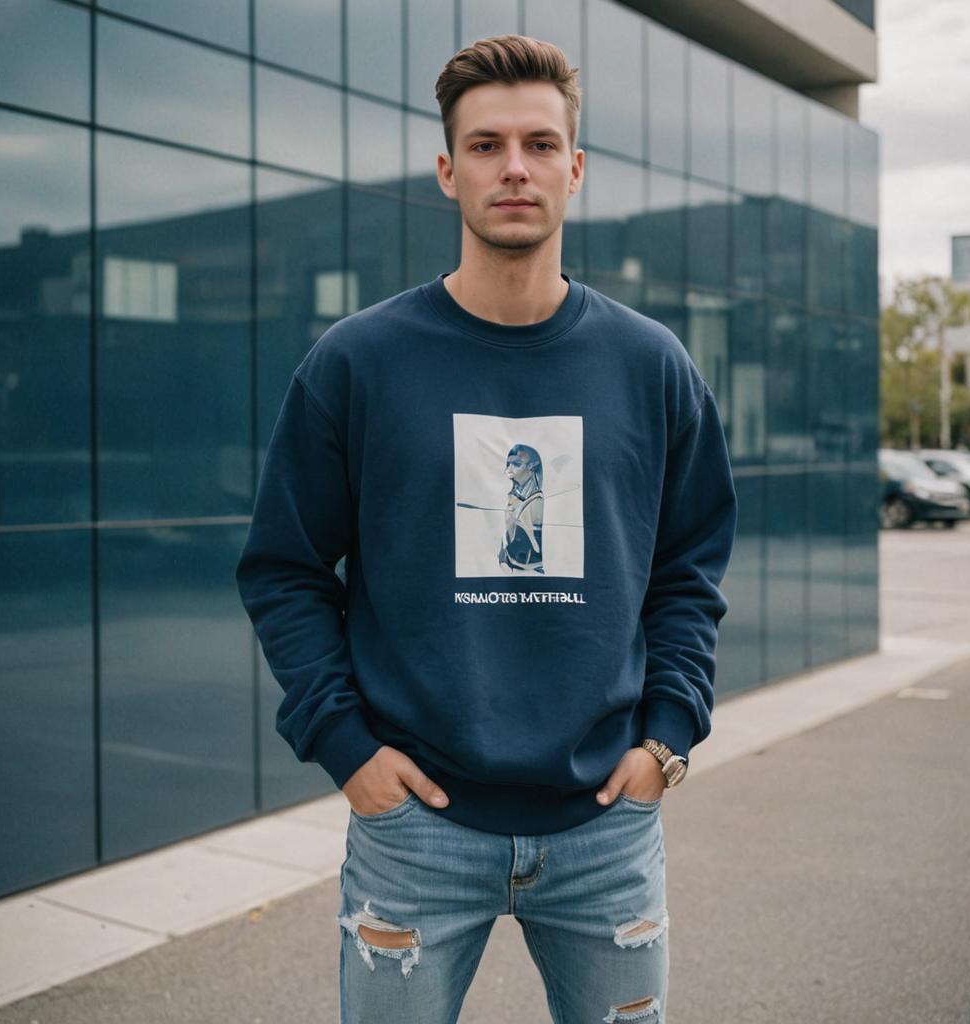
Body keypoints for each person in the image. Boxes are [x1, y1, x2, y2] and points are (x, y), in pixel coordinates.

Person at [235, 33, 737, 1024]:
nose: (515, 167)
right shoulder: (358, 363)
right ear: (446, 169)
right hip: (416, 830)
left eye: (541, 144)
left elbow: (688, 569)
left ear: (576, 168)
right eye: (487, 144)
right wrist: (344, 745)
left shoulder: (652, 366)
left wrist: (667, 737)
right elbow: (286, 568)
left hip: (605, 827)